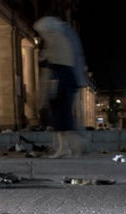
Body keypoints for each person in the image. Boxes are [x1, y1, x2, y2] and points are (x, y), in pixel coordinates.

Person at [33, 16, 88, 158]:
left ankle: (75, 144)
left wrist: (44, 59)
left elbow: (52, 64)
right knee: (59, 117)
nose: (41, 35)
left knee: (62, 116)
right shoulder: (62, 37)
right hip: (64, 79)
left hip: (60, 81)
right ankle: (64, 148)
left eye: (41, 31)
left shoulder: (56, 40)